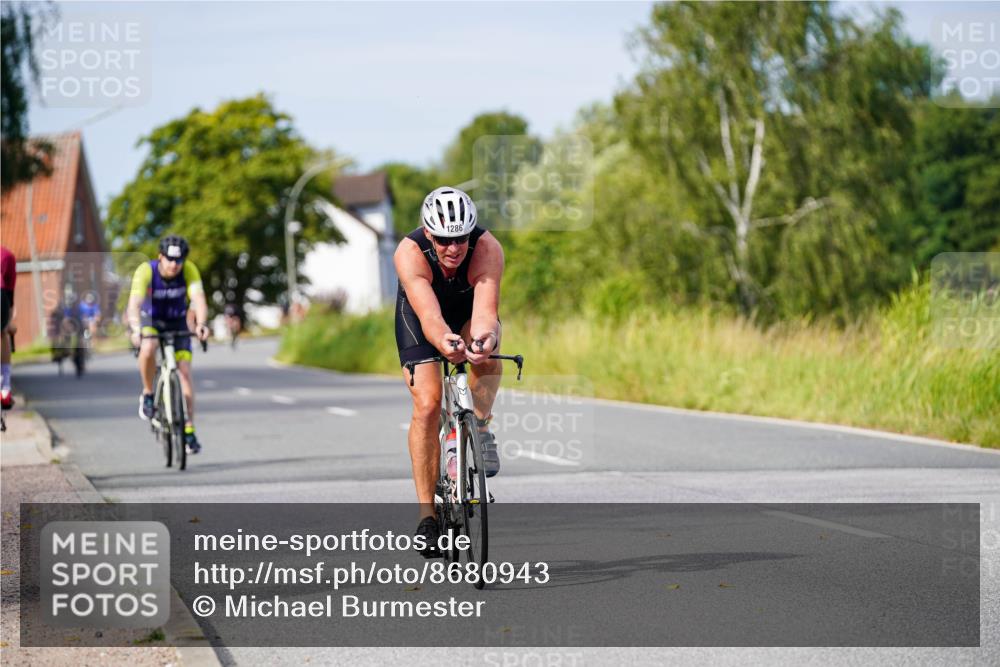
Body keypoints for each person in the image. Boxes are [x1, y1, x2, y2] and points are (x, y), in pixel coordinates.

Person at [394, 186, 505, 555]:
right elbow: (428, 315)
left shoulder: (488, 249)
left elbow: (486, 311)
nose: (453, 248)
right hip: (422, 316)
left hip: (468, 310)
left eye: (460, 238)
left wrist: (482, 339)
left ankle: (482, 425)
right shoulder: (409, 254)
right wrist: (445, 341)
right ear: (428, 234)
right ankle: (427, 516)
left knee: (488, 352)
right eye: (443, 239)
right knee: (427, 404)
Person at [126, 235, 210, 453]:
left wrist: (201, 324)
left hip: (177, 320)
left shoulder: (188, 270)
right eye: (170, 260)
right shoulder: (146, 270)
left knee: (184, 372)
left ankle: (189, 430)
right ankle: (147, 393)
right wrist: (135, 329)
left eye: (179, 260)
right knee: (148, 347)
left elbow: (198, 299)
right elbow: (133, 304)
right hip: (151, 319)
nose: (174, 265)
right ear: (160, 257)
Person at [1, 246, 16, 410]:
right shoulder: (7, 256)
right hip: (1, 296)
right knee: (3, 333)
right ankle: (5, 390)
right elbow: (9, 296)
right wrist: (9, 323)